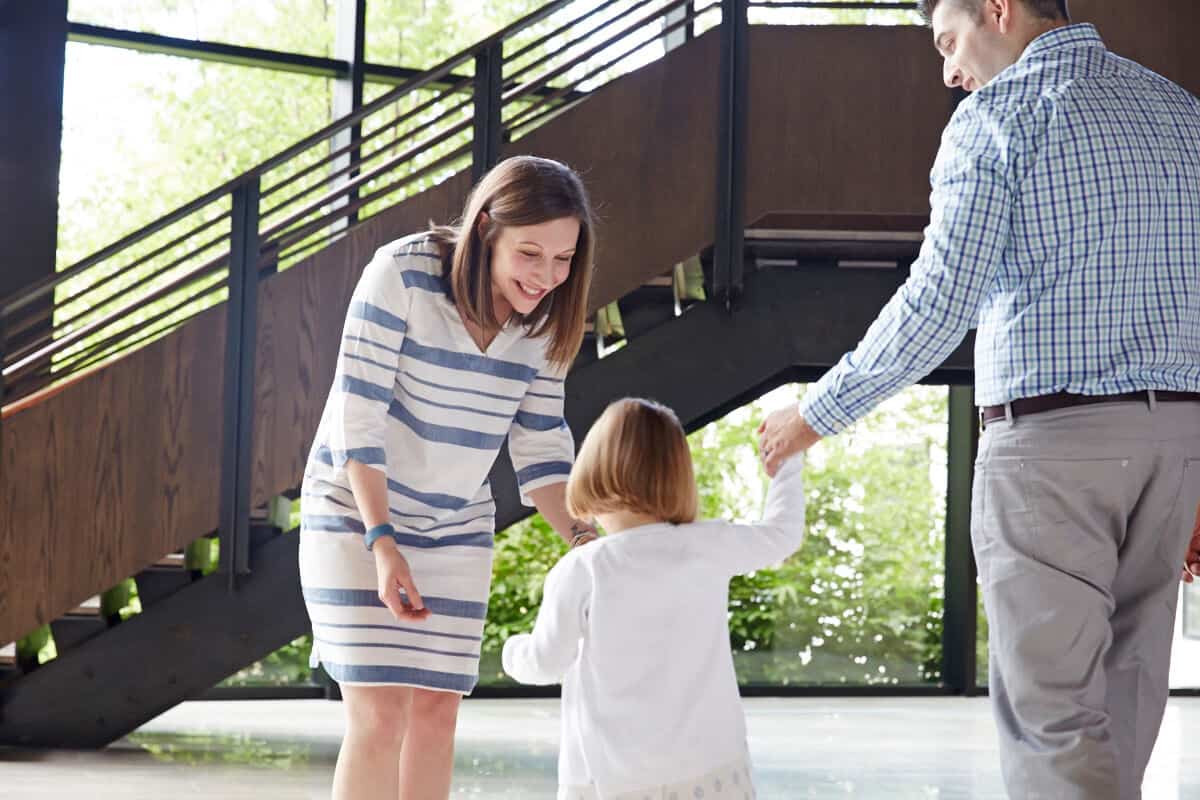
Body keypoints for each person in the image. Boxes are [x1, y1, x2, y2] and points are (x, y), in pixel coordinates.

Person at [757, 1, 1200, 797]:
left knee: (1053, 715)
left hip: (1050, 449)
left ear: (997, 7)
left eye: (949, 40)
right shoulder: (1179, 112)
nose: (949, 70)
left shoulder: (997, 118)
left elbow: (939, 303)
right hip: (1177, 444)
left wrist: (814, 413)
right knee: (1128, 699)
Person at [299, 155, 601, 800]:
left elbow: (542, 448)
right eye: (530, 253)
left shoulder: (546, 322)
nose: (547, 276)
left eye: (563, 259)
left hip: (457, 522)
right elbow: (360, 416)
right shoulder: (403, 274)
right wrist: (383, 542)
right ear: (487, 225)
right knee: (379, 716)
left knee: (437, 714)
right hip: (354, 512)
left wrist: (590, 542)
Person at [503, 397, 806, 799]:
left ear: (593, 474)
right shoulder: (708, 545)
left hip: (611, 780)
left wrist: (513, 651)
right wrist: (788, 461)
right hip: (713, 773)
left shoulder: (585, 569)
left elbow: (545, 662)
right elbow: (782, 534)